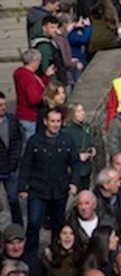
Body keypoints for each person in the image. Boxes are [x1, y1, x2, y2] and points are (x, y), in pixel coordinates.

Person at [18, 108, 80, 255]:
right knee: (34, 223)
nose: (55, 124)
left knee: (57, 225)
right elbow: (26, 164)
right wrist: (22, 187)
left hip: (59, 190)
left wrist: (74, 183)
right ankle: (30, 255)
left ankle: (55, 254)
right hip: (38, 189)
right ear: (46, 122)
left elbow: (76, 163)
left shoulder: (67, 140)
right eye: (52, 121)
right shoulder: (34, 141)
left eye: (58, 121)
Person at [0, 92, 24, 226]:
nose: (3, 107)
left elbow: (18, 140)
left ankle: (18, 228)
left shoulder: (12, 120)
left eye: (4, 104)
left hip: (12, 167)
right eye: (0, 105)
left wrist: (16, 158)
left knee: (14, 200)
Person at [62, 104, 96, 190]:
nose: (82, 113)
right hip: (72, 170)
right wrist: (77, 156)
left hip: (86, 168)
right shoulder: (66, 131)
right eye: (78, 111)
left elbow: (90, 142)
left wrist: (92, 149)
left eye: (82, 110)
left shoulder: (87, 127)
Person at [30, 15, 66, 86]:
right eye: (52, 27)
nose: (55, 30)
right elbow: (46, 67)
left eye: (56, 27)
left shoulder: (49, 41)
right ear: (44, 28)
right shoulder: (44, 46)